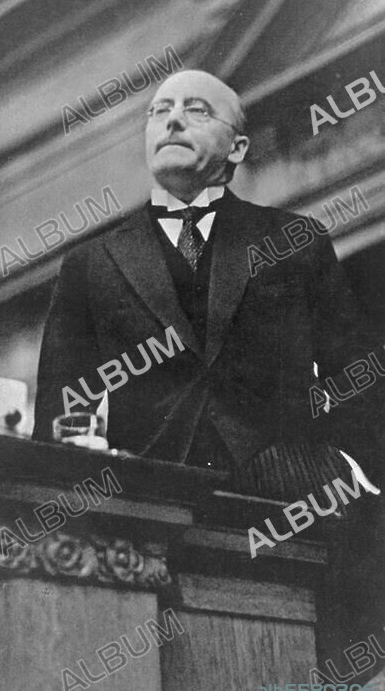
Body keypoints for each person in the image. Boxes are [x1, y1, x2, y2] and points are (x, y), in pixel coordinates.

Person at [32, 69, 383, 506]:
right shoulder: (90, 264)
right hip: (148, 506)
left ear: (237, 147)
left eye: (197, 111)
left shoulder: (296, 241)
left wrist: (352, 470)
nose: (172, 121)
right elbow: (62, 411)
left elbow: (358, 375)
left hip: (291, 497)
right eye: (160, 111)